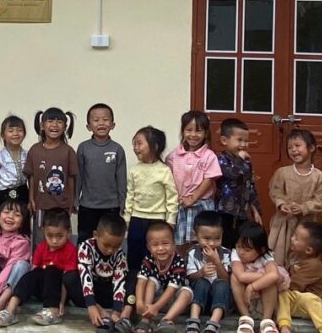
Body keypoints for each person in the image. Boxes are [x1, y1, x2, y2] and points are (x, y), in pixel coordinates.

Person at [0, 209, 78, 328]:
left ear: (68, 232)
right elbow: (34, 272)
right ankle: (11, 309)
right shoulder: (41, 248)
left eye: (59, 236)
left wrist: (61, 303)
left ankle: (52, 310)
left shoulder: (70, 250)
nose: (54, 241)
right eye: (50, 236)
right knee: (33, 273)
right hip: (42, 290)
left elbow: (67, 280)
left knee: (52, 269)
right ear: (44, 232)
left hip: (59, 292)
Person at [268, 129, 322, 267]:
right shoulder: (282, 172)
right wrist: (281, 204)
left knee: (302, 257)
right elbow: (275, 191)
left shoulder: (320, 177)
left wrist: (304, 208)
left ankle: (300, 284)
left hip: (307, 225)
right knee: (280, 256)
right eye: (290, 147)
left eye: (297, 145)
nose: (293, 150)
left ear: (311, 147)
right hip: (284, 222)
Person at [124, 126, 178, 277]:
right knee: (134, 252)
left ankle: (153, 283)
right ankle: (133, 283)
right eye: (134, 144)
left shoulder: (164, 170)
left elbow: (172, 197)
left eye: (139, 143)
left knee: (154, 254)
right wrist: (127, 217)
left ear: (154, 147)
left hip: (157, 220)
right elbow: (130, 195)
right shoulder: (134, 170)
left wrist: (171, 220)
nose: (135, 148)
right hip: (137, 218)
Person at [166, 111, 222, 255]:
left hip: (201, 204)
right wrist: (179, 198)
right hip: (180, 204)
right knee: (180, 240)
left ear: (205, 132)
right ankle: (181, 270)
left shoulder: (209, 156)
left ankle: (199, 270)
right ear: (183, 131)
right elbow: (168, 178)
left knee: (200, 241)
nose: (193, 135)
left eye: (198, 130)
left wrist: (193, 198)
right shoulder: (174, 155)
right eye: (189, 130)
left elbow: (208, 179)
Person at [125, 221, 191, 333]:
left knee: (187, 292)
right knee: (151, 281)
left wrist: (156, 307)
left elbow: (172, 289)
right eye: (155, 245)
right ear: (149, 247)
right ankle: (145, 320)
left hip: (173, 302)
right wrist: (140, 303)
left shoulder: (178, 261)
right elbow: (141, 281)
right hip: (152, 302)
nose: (161, 248)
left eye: (165, 243)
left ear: (174, 245)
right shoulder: (148, 259)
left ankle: (166, 320)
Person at [276, 221, 322, 333]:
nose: (292, 239)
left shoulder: (313, 265)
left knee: (309, 298)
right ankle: (284, 325)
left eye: (296, 238)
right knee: (282, 294)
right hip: (296, 300)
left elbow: (294, 285)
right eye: (293, 235)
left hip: (313, 304)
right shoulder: (294, 256)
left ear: (308, 250)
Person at [68, 212, 130, 333]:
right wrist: (92, 306)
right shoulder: (86, 247)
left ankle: (119, 317)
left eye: (116, 246)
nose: (110, 250)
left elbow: (119, 281)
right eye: (106, 245)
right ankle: (100, 311)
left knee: (133, 278)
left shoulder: (120, 255)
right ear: (96, 235)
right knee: (69, 278)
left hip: (108, 293)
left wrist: (116, 311)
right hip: (90, 293)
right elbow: (85, 276)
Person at [24, 107, 78, 243]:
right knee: (40, 240)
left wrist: (72, 202)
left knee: (61, 240)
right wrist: (31, 199)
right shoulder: (35, 150)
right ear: (42, 125)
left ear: (65, 126)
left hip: (62, 206)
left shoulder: (68, 151)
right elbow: (32, 177)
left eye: (59, 121)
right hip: (41, 205)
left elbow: (71, 178)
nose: (54, 125)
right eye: (50, 121)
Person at [77, 103, 127, 244]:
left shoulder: (117, 149)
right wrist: (75, 199)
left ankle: (108, 266)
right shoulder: (83, 148)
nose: (101, 123)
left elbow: (121, 179)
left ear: (113, 124)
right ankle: (84, 266)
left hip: (111, 206)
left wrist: (123, 203)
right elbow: (79, 176)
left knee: (109, 241)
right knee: (85, 240)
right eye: (96, 120)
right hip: (88, 206)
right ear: (88, 126)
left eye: (105, 120)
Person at [229, 220, 286, 333]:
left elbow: (274, 276)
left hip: (263, 303)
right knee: (234, 277)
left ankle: (267, 320)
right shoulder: (236, 255)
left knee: (270, 282)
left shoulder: (266, 256)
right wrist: (266, 276)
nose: (241, 252)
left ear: (261, 249)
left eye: (247, 250)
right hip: (245, 300)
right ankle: (245, 318)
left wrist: (253, 286)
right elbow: (241, 276)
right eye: (239, 246)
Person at [184, 210, 231, 333]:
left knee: (221, 284)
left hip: (219, 301)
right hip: (199, 299)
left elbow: (226, 279)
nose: (211, 243)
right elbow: (189, 277)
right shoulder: (192, 253)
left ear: (222, 235)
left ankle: (213, 323)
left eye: (217, 238)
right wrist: (201, 273)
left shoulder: (226, 253)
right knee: (201, 282)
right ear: (196, 235)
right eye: (206, 239)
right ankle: (194, 320)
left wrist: (216, 261)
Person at [215, 118, 262, 249]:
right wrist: (240, 159)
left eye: (246, 141)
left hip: (242, 211)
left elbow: (250, 186)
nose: (244, 144)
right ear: (225, 140)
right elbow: (232, 174)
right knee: (225, 240)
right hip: (225, 211)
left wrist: (256, 210)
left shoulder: (247, 162)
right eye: (239, 140)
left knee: (241, 241)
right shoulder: (221, 160)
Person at [0, 115, 29, 229]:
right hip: (3, 194)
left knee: (22, 224)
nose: (15, 134)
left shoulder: (28, 155)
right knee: (1, 225)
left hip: (22, 192)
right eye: (11, 131)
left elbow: (31, 178)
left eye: (19, 130)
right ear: (3, 135)